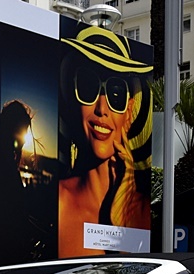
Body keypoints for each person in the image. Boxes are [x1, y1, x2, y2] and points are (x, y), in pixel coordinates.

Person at [58, 26, 152, 257]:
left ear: (129, 111)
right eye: (88, 88)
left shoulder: (144, 212)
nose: (102, 109)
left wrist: (119, 223)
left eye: (116, 94)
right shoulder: (57, 202)